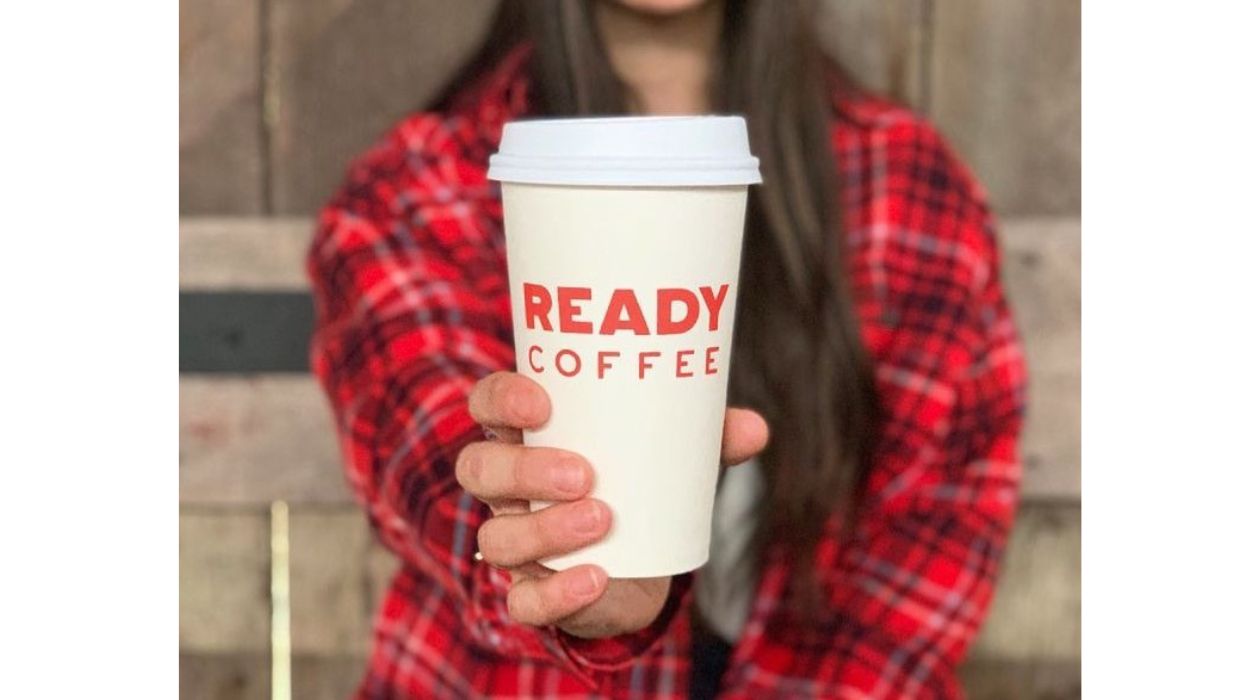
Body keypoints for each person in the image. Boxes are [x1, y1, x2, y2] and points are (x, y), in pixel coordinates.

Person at [308, 0, 1027, 697]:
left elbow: (936, 533)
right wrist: (545, 547)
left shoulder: (907, 184)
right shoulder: (417, 188)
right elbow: (427, 432)